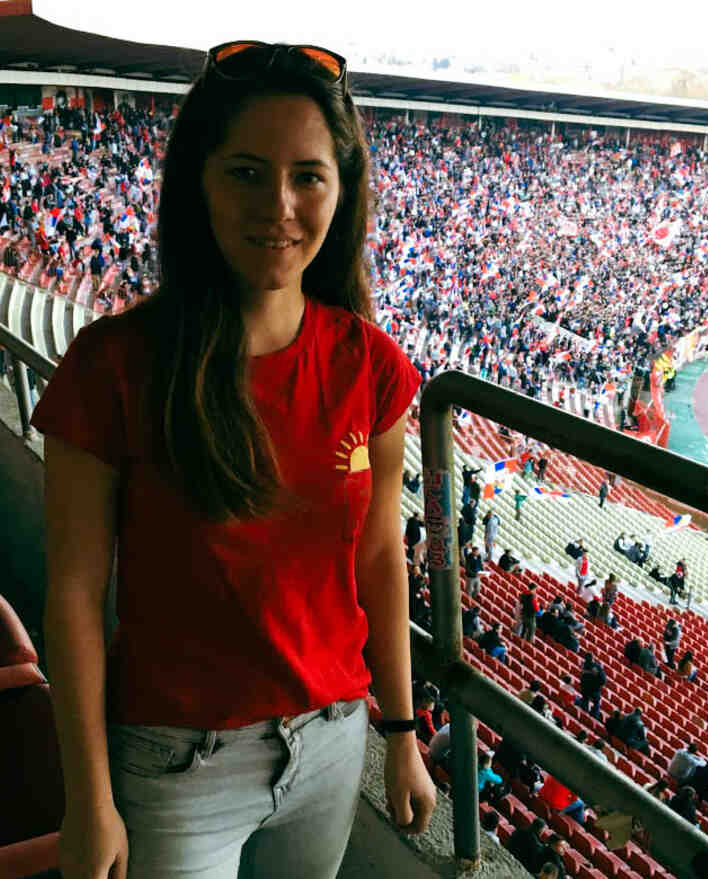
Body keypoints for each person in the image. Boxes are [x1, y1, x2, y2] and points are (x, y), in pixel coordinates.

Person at [32, 43, 435, 879]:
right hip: (177, 766)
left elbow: (379, 557)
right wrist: (87, 795)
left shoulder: (372, 366)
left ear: (342, 189)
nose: (280, 207)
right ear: (199, 183)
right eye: (247, 173)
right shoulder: (111, 367)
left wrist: (401, 734)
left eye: (308, 177)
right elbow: (73, 593)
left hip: (331, 742)